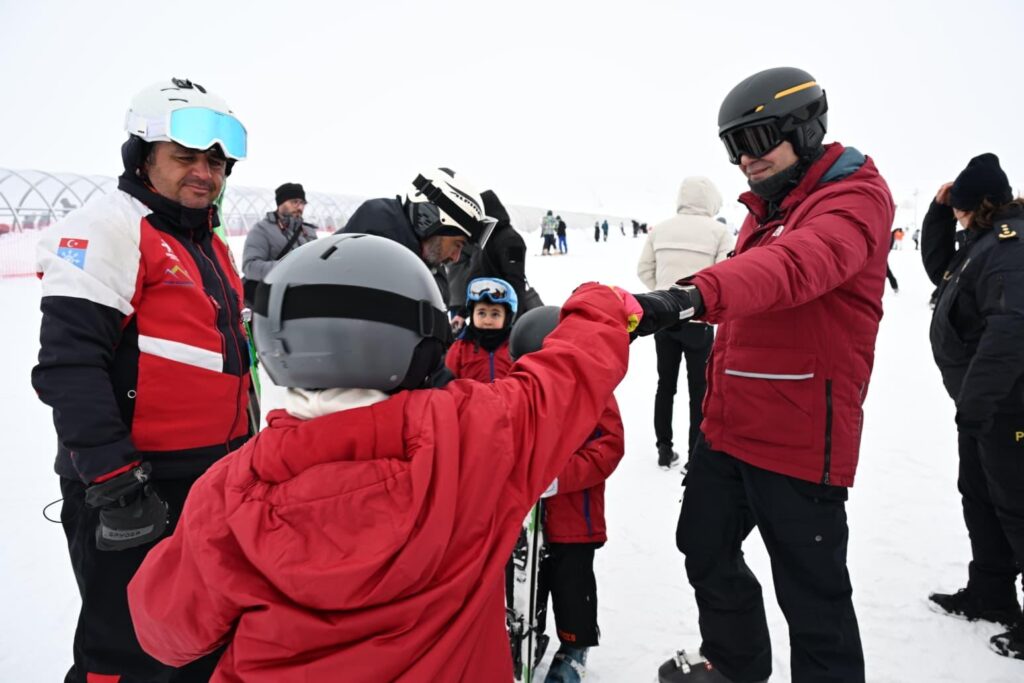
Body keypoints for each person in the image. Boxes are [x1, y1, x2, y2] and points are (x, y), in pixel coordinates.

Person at [125, 233, 640, 681]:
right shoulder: (474, 440)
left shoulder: (227, 489)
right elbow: (568, 373)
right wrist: (606, 303)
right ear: (421, 342)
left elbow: (165, 632)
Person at [632, 67, 895, 683]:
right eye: (733, 147)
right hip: (730, 427)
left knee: (812, 596)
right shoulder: (768, 207)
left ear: (805, 129)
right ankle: (734, 665)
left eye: (756, 140)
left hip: (799, 436)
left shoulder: (853, 198)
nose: (744, 160)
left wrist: (689, 295)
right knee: (703, 545)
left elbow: (795, 265)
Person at [32, 77, 251, 683]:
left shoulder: (204, 238)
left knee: (199, 638)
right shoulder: (111, 226)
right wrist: (114, 483)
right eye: (184, 157)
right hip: (137, 485)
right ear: (143, 157)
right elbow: (69, 364)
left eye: (215, 162)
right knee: (126, 653)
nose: (203, 173)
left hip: (208, 477)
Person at [921, 153, 1024, 661]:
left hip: (1008, 406)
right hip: (983, 406)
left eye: (960, 209)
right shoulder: (983, 242)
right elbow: (939, 269)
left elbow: (1010, 331)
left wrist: (979, 405)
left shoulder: (1010, 247)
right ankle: (991, 593)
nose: (957, 216)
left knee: (1018, 507)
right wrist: (938, 212)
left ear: (981, 206)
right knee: (980, 498)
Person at [510, 306, 625, 683]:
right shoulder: (518, 393)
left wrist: (557, 478)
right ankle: (525, 635)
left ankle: (575, 645)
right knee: (525, 581)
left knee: (571, 586)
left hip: (575, 518)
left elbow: (608, 448)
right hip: (525, 517)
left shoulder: (594, 394)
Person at [637, 176, 733, 469]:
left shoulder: (661, 229)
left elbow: (643, 269)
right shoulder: (719, 232)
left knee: (665, 385)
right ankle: (695, 455)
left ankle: (664, 449)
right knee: (699, 390)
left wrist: (665, 296)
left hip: (664, 321)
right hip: (699, 321)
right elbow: (726, 275)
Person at [337, 167, 496, 303]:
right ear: (431, 222)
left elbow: (440, 296)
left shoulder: (420, 256)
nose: (456, 257)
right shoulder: (375, 243)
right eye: (457, 244)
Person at [444, 189, 544, 329]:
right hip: (484, 313)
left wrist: (512, 321)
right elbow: (477, 277)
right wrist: (462, 313)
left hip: (499, 318)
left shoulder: (512, 240)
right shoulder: (485, 240)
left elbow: (516, 281)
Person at [241, 182, 318, 306]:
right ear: (280, 203)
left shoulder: (308, 231)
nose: (299, 207)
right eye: (294, 202)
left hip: (304, 298)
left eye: (302, 203)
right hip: (272, 302)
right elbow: (250, 267)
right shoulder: (262, 229)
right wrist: (290, 268)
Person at [444, 276, 517, 381]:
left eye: (495, 314)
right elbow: (447, 382)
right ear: (472, 314)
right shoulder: (460, 348)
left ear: (507, 318)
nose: (487, 321)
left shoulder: (515, 347)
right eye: (481, 313)